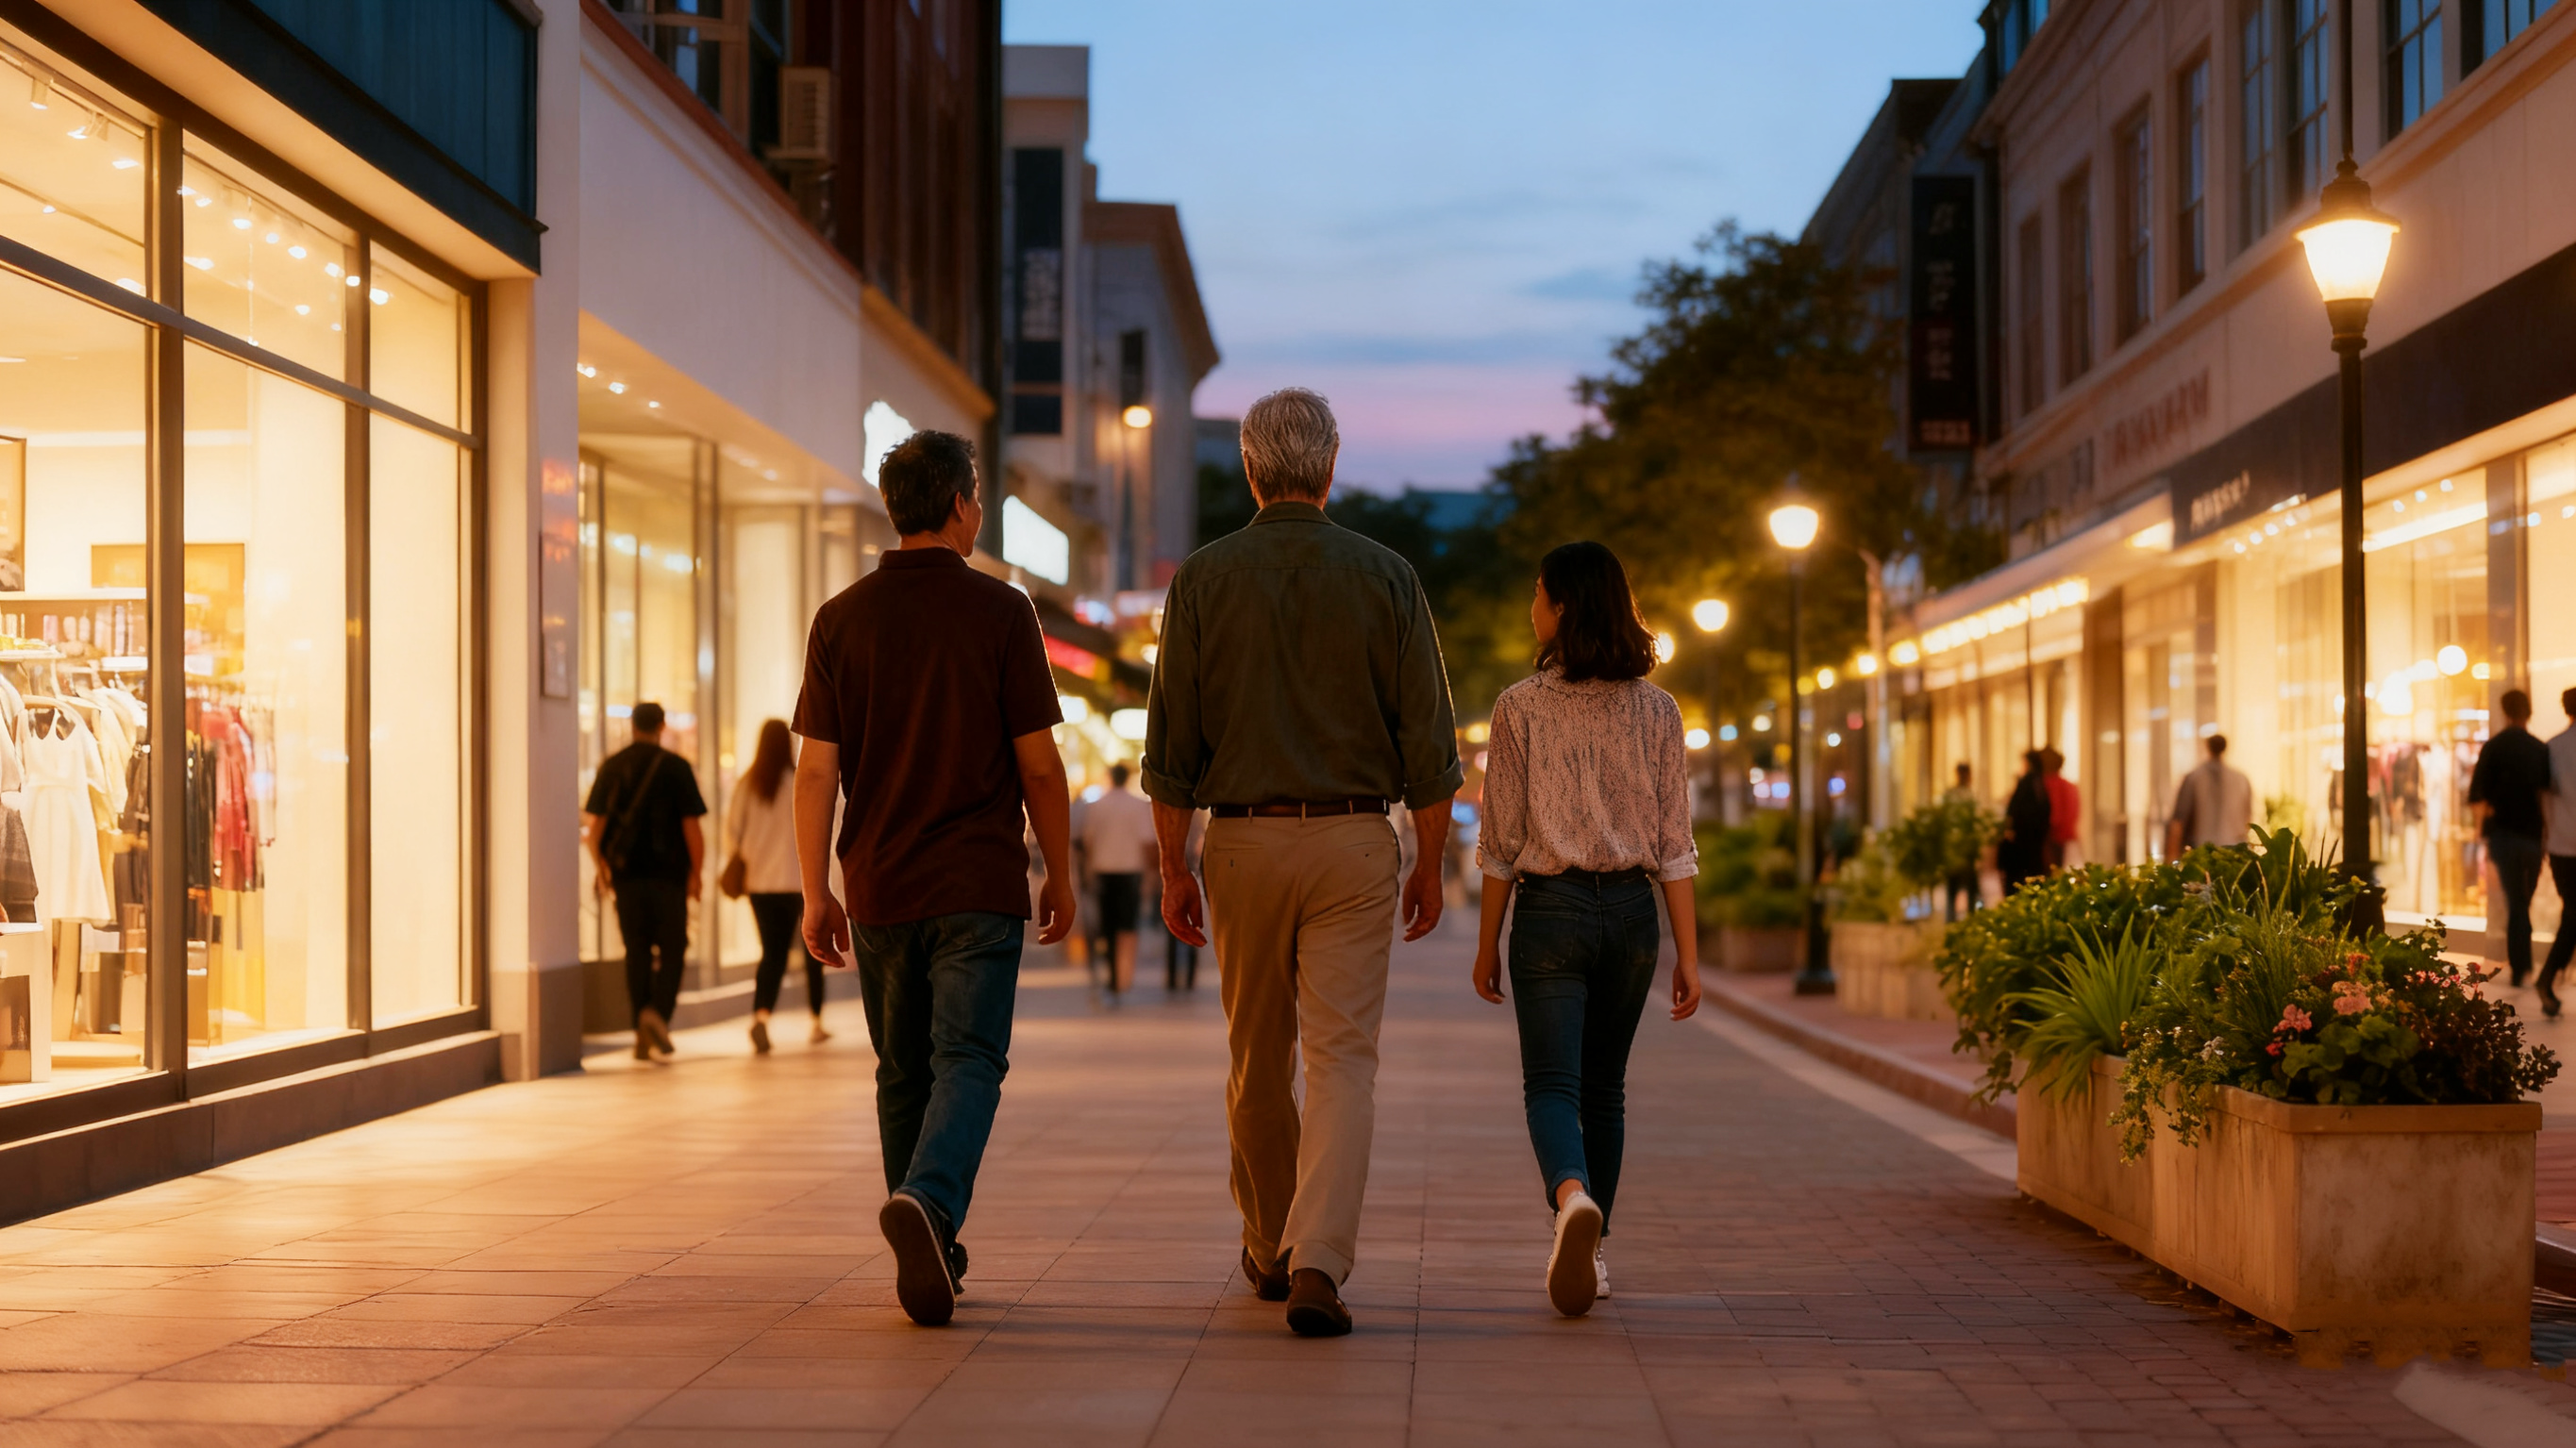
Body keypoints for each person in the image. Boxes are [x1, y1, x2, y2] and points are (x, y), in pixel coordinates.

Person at [1143, 386, 1463, 1339]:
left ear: (1250, 470)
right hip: (1356, 840)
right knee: (1343, 1059)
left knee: (1256, 1057)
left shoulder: (1202, 579)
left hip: (1240, 842)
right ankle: (1320, 1255)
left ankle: (1268, 1242)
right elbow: (1429, 743)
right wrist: (1429, 863)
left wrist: (1174, 866)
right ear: (1330, 467)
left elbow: (1171, 746)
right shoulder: (1388, 576)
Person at [791, 429, 1076, 1328]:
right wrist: (1060, 871)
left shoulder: (840, 617)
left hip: (879, 881)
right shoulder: (1002, 611)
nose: (979, 507)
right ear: (958, 504)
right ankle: (929, 1200)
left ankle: (930, 1237)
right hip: (977, 881)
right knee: (970, 1060)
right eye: (978, 494)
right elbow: (1039, 766)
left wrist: (816, 890)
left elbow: (815, 771)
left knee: (902, 1069)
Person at [1469, 541, 1701, 1320]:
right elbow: (1675, 844)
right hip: (1633, 915)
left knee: (1551, 1085)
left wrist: (1486, 944)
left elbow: (1500, 843)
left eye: (1538, 593)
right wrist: (1688, 955)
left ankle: (1572, 1197)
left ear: (1562, 605)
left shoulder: (1518, 707)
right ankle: (1594, 1255)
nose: (1531, 607)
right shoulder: (1659, 710)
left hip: (1550, 911)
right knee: (1605, 1088)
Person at [582, 701, 706, 1063]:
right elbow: (692, 828)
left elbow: (594, 831)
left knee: (636, 950)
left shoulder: (612, 766)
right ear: (662, 726)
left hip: (627, 877)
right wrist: (696, 874)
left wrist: (602, 869)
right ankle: (657, 1016)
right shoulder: (676, 767)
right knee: (674, 947)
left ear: (633, 726)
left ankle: (641, 1026)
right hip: (669, 877)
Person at [728, 717, 825, 1054]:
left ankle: (761, 1016)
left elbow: (733, 832)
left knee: (772, 953)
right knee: (813, 951)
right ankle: (816, 1021)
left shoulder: (748, 784)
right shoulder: (796, 781)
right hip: (797, 882)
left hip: (760, 883)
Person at [2468, 689, 2553, 990]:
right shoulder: (2539, 749)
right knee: (2522, 901)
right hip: (2532, 835)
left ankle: (2521, 967)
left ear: (2505, 712)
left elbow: (2477, 794)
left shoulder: (2494, 747)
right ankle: (2522, 965)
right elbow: (2547, 796)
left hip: (2503, 834)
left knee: (2516, 900)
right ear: (2528, 712)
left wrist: (2482, 828)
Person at [1078, 762, 1159, 995]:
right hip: (1131, 872)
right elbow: (1147, 842)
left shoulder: (1097, 806)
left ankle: (1112, 972)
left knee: (1108, 925)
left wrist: (1088, 871)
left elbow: (1089, 841)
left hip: (1104, 871)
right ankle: (1124, 975)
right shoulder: (1138, 806)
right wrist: (1151, 875)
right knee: (1129, 925)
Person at [2538, 687, 2576, 1017]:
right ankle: (2548, 977)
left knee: (2573, 912)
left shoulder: (2552, 748)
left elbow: (2543, 799)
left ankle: (2548, 978)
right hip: (2563, 844)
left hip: (2561, 846)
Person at [2166, 733, 2253, 857]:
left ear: (2207, 747)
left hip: (2202, 853)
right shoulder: (2241, 780)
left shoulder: (2194, 778)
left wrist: (2171, 857)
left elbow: (2178, 822)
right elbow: (2247, 819)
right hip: (2233, 854)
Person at [1999, 751, 2051, 897]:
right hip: (2036, 840)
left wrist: (2010, 828)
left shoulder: (2027, 782)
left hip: (2022, 839)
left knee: (2018, 875)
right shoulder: (2040, 782)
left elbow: (2014, 808)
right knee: (2034, 872)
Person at [1941, 761, 1981, 920]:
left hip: (1954, 846)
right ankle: (1969, 919)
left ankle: (1952, 919)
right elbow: (1975, 822)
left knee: (1954, 886)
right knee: (1969, 886)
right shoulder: (1969, 796)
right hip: (1964, 847)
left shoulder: (1951, 795)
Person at [2041, 747, 2082, 872]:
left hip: (2051, 836)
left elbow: (2055, 815)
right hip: (2062, 836)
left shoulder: (2047, 784)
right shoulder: (2068, 786)